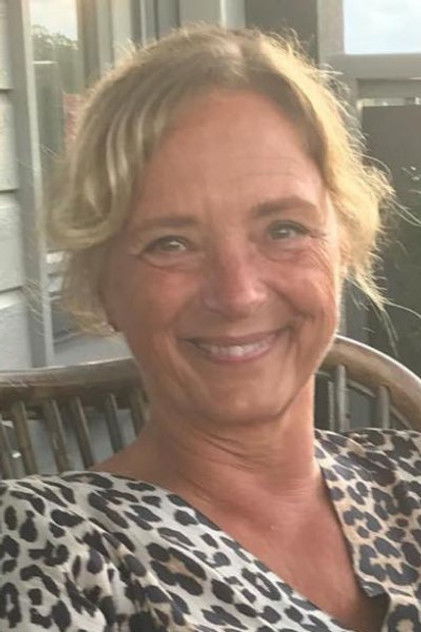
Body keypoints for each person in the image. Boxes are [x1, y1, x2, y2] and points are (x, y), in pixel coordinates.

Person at [0, 25, 420, 632]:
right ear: (103, 284)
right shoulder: (51, 550)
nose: (238, 294)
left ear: (344, 244)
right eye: (171, 243)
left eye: (284, 229)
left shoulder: (406, 472)